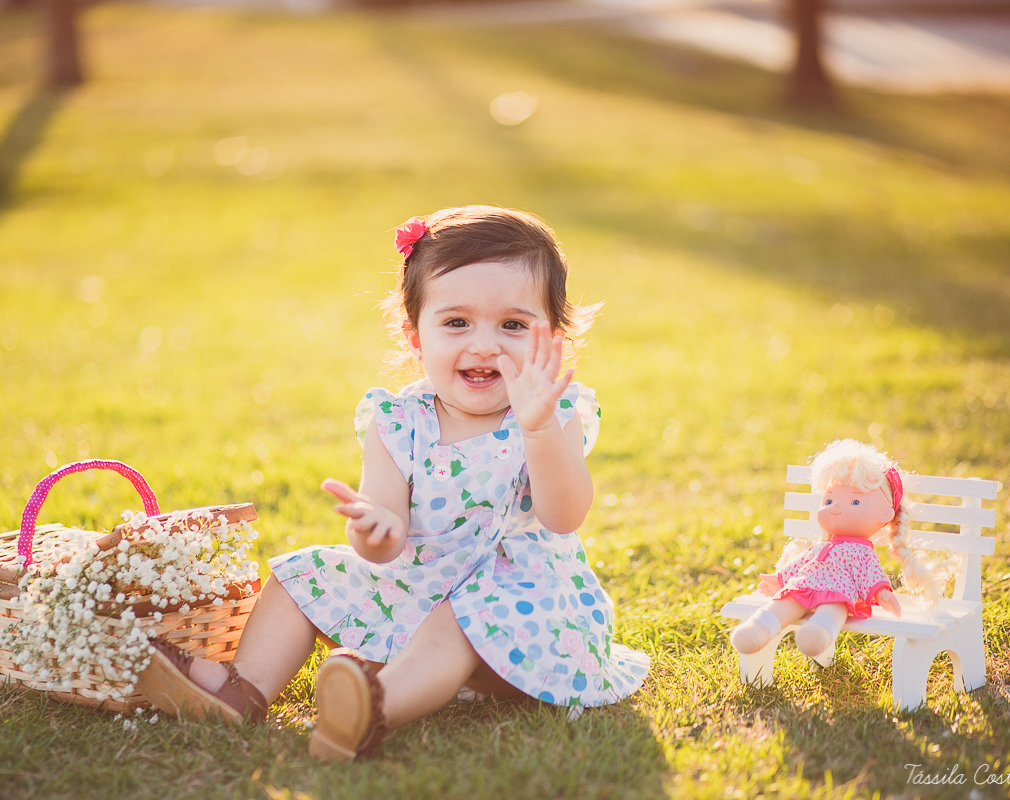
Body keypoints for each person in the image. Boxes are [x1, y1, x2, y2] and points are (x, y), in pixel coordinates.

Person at [137, 206, 650, 760]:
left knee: (459, 614)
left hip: (527, 621)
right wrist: (376, 528)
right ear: (415, 338)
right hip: (417, 592)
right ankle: (245, 690)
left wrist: (540, 428)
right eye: (457, 323)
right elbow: (380, 542)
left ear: (553, 339)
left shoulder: (554, 413)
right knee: (299, 575)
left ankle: (373, 707)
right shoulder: (398, 420)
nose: (484, 345)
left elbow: (564, 515)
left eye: (513, 325)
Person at [728, 439, 951, 659]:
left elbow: (869, 573)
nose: (835, 508)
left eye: (855, 502)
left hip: (839, 592)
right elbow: (802, 563)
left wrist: (881, 593)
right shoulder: (822, 546)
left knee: (834, 609)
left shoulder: (861, 551)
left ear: (886, 513)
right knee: (784, 602)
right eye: (828, 501)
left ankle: (818, 635)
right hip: (803, 585)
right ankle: (756, 630)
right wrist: (779, 579)